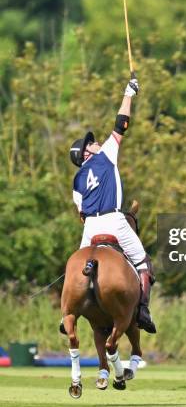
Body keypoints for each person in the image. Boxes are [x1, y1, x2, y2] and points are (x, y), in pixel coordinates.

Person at [62, 75, 156, 334]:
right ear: (87, 153)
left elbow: (81, 214)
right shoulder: (105, 154)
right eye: (89, 143)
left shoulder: (77, 179)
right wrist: (129, 93)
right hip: (113, 220)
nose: (94, 142)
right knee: (143, 262)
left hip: (90, 227)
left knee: (76, 269)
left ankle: (67, 313)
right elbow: (121, 123)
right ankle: (143, 311)